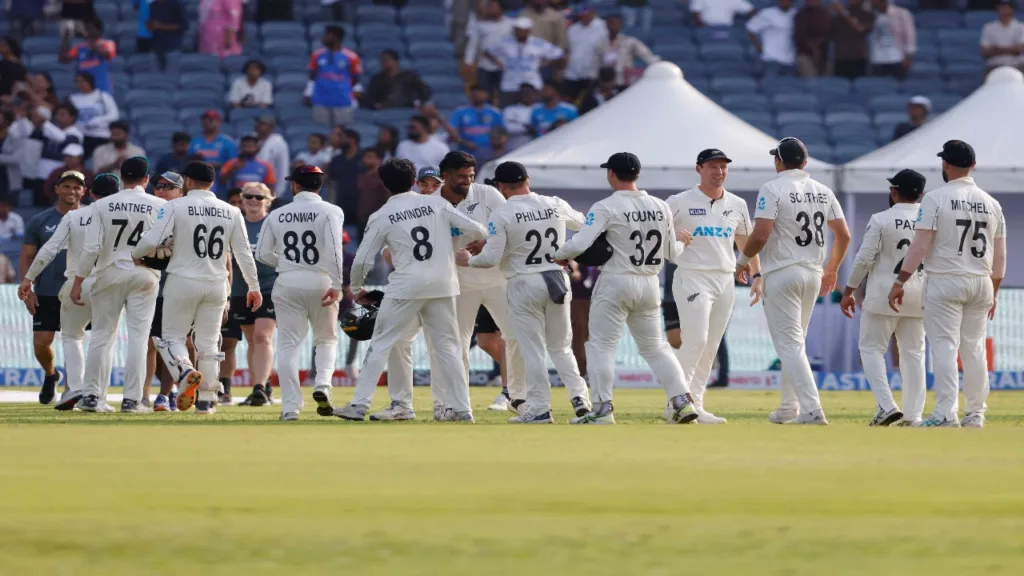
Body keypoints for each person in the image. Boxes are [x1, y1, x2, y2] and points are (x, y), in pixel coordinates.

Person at [334, 159, 486, 422]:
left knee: (381, 343)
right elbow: (478, 229)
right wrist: (470, 244)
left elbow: (363, 260)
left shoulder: (382, 215)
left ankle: (359, 405)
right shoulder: (438, 204)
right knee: (448, 347)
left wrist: (357, 288)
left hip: (406, 285)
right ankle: (462, 409)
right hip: (443, 283)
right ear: (414, 180)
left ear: (385, 184)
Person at [380, 152, 527, 420]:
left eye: (470, 175)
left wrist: (487, 242)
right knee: (451, 346)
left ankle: (521, 399)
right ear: (445, 176)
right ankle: (447, 404)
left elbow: (512, 225)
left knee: (517, 335)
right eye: (461, 176)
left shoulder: (487, 194)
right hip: (458, 284)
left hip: (498, 278)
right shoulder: (430, 203)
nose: (467, 181)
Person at [554, 152, 696, 425]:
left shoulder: (606, 206)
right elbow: (672, 252)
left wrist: (559, 255)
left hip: (616, 280)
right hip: (650, 282)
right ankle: (682, 401)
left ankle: (602, 410)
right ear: (638, 174)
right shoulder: (660, 206)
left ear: (611, 173)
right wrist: (683, 242)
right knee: (655, 347)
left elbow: (580, 243)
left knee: (601, 346)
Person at [456, 161, 592, 423]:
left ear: (501, 186)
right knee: (561, 347)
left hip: (523, 282)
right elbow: (585, 226)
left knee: (532, 349)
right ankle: (580, 399)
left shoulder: (503, 213)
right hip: (556, 279)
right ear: (527, 179)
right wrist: (567, 252)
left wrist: (468, 261)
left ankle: (540, 408)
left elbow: (490, 258)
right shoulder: (554, 203)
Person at [886, 141, 1006, 428]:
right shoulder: (992, 203)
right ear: (973, 166)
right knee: (974, 349)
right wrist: (994, 291)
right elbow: (1000, 256)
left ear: (945, 164)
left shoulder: (935, 199)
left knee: (944, 346)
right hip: (981, 281)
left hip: (945, 279)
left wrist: (900, 280)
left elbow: (919, 246)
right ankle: (975, 413)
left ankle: (945, 413)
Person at [736, 138, 850, 425]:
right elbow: (844, 234)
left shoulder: (772, 187)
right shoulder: (823, 190)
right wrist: (832, 269)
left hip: (783, 272)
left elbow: (761, 233)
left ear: (778, 161)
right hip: (813, 273)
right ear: (805, 162)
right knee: (794, 344)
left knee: (789, 345)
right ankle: (789, 407)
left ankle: (812, 409)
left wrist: (741, 260)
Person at [133, 161, 261, 415]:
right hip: (217, 284)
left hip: (182, 280)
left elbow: (154, 239)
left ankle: (184, 371)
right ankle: (206, 401)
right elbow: (243, 253)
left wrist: (136, 254)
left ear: (188, 181)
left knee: (171, 338)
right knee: (209, 344)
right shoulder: (231, 211)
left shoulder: (174, 206)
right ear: (212, 183)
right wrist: (253, 286)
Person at [663, 149, 761, 424]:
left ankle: (696, 404)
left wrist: (757, 274)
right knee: (696, 340)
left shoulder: (737, 204)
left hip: (725, 279)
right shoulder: (679, 201)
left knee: (711, 345)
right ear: (699, 169)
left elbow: (746, 242)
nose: (719, 172)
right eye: (713, 166)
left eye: (723, 167)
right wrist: (672, 235)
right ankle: (676, 404)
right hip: (692, 276)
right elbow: (655, 232)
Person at [70, 158, 165, 413]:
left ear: (122, 178)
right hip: (145, 273)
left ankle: (92, 397)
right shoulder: (161, 205)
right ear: (147, 179)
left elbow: (92, 248)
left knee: (101, 335)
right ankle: (132, 400)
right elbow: (168, 245)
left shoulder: (102, 205)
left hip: (109, 271)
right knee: (139, 338)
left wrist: (78, 280)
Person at [254, 166, 345, 420]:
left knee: (288, 345)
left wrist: (286, 264)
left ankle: (290, 407)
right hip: (321, 280)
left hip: (287, 281)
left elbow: (262, 253)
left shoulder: (277, 214)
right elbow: (334, 250)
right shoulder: (331, 211)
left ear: (295, 185)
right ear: (320, 185)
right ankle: (323, 384)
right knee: (326, 339)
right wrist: (338, 284)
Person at [840, 169, 926, 427]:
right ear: (921, 194)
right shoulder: (930, 219)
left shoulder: (881, 219)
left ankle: (886, 406)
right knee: (914, 354)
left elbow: (864, 258)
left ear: (894, 192)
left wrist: (849, 290)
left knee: (871, 349)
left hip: (882, 293)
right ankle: (913, 415)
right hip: (919, 293)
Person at [17, 172, 99, 410]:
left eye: (76, 187)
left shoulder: (94, 217)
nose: (71, 191)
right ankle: (51, 374)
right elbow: (27, 255)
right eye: (66, 186)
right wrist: (29, 287)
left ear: (84, 191)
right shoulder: (40, 220)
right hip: (48, 289)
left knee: (78, 339)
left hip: (82, 287)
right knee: (42, 342)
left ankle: (72, 389)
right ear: (57, 189)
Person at [213, 182, 276, 407]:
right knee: (252, 340)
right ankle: (263, 387)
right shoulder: (234, 222)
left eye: (258, 197)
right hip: (240, 290)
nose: (253, 201)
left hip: (269, 287)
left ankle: (259, 387)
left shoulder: (273, 224)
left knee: (262, 336)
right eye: (248, 196)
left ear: (267, 201)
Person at [147, 171, 187, 412]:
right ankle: (160, 393)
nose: (161, 190)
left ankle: (168, 392)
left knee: (178, 342)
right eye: (158, 186)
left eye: (168, 187)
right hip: (149, 286)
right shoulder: (148, 212)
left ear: (180, 191)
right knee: (151, 344)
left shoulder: (188, 214)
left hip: (179, 286)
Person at [484, 17, 565, 106]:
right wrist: (499, 64)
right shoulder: (505, 42)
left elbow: (559, 54)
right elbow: (488, 51)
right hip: (509, 84)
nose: (519, 32)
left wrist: (546, 64)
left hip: (532, 84)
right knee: (507, 109)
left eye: (522, 30)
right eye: (517, 30)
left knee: (533, 110)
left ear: (528, 31)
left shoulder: (538, 44)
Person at [306, 25, 362, 127]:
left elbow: (356, 78)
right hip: (320, 100)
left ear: (336, 38)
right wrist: (308, 92)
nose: (324, 38)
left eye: (327, 35)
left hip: (342, 100)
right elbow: (312, 76)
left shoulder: (351, 57)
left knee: (342, 131)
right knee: (321, 130)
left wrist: (353, 94)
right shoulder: (317, 55)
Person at [463, 0, 515, 98]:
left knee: (504, 95)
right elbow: (473, 44)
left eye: (493, 7)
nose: (490, 9)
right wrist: (468, 61)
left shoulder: (510, 24)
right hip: (484, 65)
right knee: (485, 94)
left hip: (503, 65)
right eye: (489, 7)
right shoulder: (480, 25)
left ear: (501, 8)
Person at [599, 13, 659, 89]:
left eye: (616, 23)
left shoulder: (630, 42)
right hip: (605, 83)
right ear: (606, 25)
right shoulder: (600, 44)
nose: (613, 26)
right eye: (611, 23)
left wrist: (660, 63)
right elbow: (594, 65)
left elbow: (648, 56)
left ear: (621, 25)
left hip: (624, 82)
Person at [68, 72, 119, 159]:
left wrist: (98, 120)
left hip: (100, 136)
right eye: (78, 81)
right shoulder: (72, 99)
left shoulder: (102, 96)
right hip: (80, 136)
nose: (80, 84)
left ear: (90, 82)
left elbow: (114, 115)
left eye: (83, 81)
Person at [361, 50, 433, 110]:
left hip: (406, 108)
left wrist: (419, 102)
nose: (383, 63)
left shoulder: (409, 76)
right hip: (384, 110)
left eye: (386, 60)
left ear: (396, 62)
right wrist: (375, 105)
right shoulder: (377, 79)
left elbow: (425, 91)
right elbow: (370, 97)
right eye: (381, 60)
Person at [564, 4, 608, 101]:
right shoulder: (573, 29)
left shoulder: (603, 27)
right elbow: (568, 50)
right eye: (582, 15)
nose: (584, 17)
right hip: (572, 74)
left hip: (592, 74)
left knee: (588, 102)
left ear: (593, 13)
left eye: (587, 14)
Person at [447, 83, 505, 156]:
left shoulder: (495, 112)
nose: (477, 95)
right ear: (470, 95)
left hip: (490, 151)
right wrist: (465, 143)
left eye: (480, 92)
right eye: (474, 92)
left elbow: (503, 133)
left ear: (486, 95)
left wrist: (498, 146)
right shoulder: (459, 112)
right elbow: (452, 133)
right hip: (466, 152)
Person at [188, 109, 238, 193]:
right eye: (205, 120)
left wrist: (215, 167)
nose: (207, 122)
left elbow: (233, 163)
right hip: (199, 181)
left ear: (218, 122)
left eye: (211, 120)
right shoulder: (195, 141)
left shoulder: (228, 142)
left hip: (220, 182)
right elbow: (189, 161)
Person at [61, 20, 117, 94]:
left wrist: (90, 39)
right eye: (87, 28)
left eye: (91, 28)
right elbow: (64, 59)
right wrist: (66, 40)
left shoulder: (108, 43)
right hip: (83, 90)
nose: (88, 30)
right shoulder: (79, 47)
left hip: (102, 89)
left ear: (98, 30)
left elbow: (107, 55)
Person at [747, 0, 798, 77]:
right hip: (771, 59)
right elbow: (750, 29)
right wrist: (758, 47)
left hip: (791, 61)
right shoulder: (767, 13)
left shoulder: (797, 14)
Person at [868, 0, 916, 79]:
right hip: (876, 58)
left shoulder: (901, 13)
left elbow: (910, 36)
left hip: (896, 58)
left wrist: (909, 57)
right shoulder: (871, 15)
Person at [830, 0, 876, 80]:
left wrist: (844, 12)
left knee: (860, 84)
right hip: (841, 58)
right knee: (839, 85)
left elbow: (860, 29)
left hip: (858, 58)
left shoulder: (868, 15)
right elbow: (829, 34)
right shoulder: (838, 17)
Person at [980, 1, 1024, 77]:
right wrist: (1012, 49)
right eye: (1002, 8)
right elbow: (984, 51)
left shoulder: (1021, 27)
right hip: (994, 66)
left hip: (1017, 65)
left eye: (1007, 8)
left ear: (1012, 10)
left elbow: (1020, 49)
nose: (1004, 10)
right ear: (997, 9)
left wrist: (996, 49)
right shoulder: (988, 27)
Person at [254, 115, 290, 199]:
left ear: (271, 127)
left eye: (263, 124)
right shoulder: (250, 139)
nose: (259, 125)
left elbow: (283, 169)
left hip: (269, 188)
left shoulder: (279, 143)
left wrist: (278, 193)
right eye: (258, 123)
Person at [147, 0, 187, 74]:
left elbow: (183, 26)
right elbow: (151, 25)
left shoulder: (176, 5)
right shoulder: (153, 6)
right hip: (156, 48)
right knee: (154, 78)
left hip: (172, 48)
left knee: (172, 78)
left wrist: (161, 26)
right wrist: (150, 25)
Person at [794, 0, 831, 77]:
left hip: (823, 55)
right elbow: (800, 36)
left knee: (826, 80)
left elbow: (828, 33)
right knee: (811, 80)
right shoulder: (800, 15)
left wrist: (819, 45)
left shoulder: (825, 13)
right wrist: (813, 47)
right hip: (805, 53)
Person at [502, 83, 537, 150]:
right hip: (516, 146)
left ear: (535, 94)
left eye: (529, 93)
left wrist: (520, 124)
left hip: (537, 146)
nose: (526, 95)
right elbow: (508, 128)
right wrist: (527, 129)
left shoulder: (539, 108)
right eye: (524, 93)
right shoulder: (509, 110)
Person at [690, 0, 754, 27]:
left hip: (727, 29)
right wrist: (703, 28)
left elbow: (752, 11)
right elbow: (696, 15)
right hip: (706, 28)